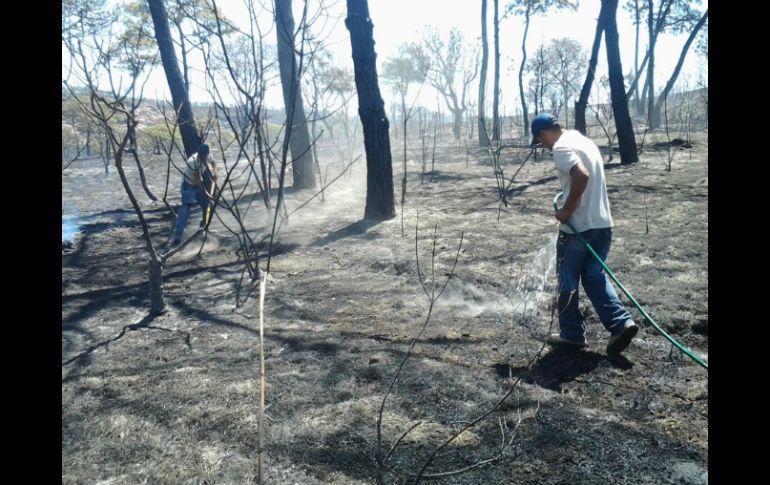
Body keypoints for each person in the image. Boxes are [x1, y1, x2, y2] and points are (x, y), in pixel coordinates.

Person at [530, 113, 638, 356]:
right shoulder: (582, 140)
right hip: (602, 224)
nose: (543, 146)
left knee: (567, 281)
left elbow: (582, 175)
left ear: (544, 133)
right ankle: (621, 324)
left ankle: (572, 335)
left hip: (577, 228)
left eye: (539, 141)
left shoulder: (561, 147)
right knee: (593, 276)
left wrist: (566, 210)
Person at [170, 143, 217, 247]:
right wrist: (207, 194)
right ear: (199, 153)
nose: (203, 157)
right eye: (202, 154)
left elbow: (213, 162)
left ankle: (203, 228)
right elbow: (197, 181)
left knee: (208, 206)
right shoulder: (193, 162)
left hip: (198, 184)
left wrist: (215, 173)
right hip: (188, 186)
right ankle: (177, 236)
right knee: (185, 210)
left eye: (205, 154)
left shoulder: (209, 155)